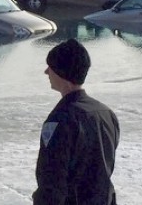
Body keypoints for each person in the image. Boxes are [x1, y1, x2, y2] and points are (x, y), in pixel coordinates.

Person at [32, 39, 120, 205]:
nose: (46, 72)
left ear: (61, 72)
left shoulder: (60, 120)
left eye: (50, 67)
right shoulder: (106, 114)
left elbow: (51, 181)